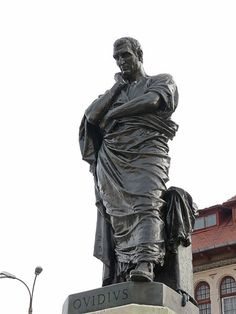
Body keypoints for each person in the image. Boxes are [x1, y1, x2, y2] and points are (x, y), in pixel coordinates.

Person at [79, 37, 179, 285]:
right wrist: (116, 90)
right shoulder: (113, 93)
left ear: (139, 54)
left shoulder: (160, 80)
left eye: (125, 55)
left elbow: (153, 101)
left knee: (147, 201)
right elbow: (91, 116)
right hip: (113, 159)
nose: (121, 61)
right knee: (118, 214)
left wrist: (117, 112)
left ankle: (146, 262)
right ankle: (125, 268)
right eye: (117, 58)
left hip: (146, 150)